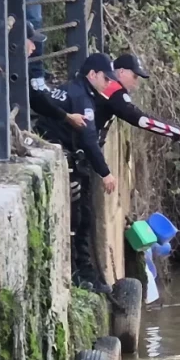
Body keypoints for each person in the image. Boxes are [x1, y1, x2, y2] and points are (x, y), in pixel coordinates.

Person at [32, 53, 125, 292]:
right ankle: (80, 275)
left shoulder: (71, 90)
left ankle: (84, 272)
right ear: (92, 74)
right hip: (67, 161)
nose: (108, 84)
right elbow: (89, 139)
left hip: (63, 155)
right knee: (80, 219)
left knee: (82, 216)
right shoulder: (82, 98)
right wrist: (105, 173)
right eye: (106, 79)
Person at [91, 53, 180, 144]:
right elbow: (142, 120)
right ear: (121, 72)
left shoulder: (100, 70)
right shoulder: (115, 91)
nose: (136, 83)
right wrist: (179, 132)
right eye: (135, 77)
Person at [25, 23, 87, 131]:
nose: (34, 47)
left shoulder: (23, 66)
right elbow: (37, 101)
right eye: (32, 41)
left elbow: (37, 100)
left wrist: (66, 116)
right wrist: (67, 117)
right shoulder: (16, 66)